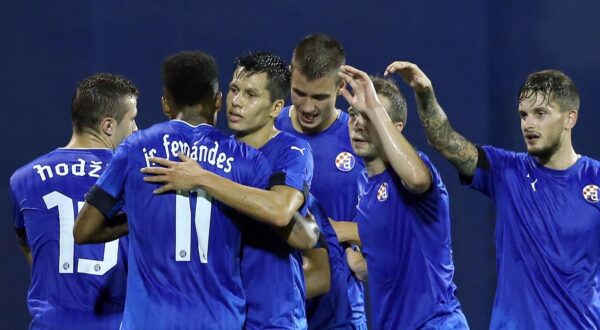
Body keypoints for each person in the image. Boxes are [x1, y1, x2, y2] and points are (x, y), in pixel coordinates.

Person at [386, 61, 600, 328]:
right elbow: (444, 140)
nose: (528, 124)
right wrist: (424, 93)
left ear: (570, 118)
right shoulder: (506, 170)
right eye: (523, 115)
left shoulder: (595, 180)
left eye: (540, 113)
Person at [74, 51, 274, 329]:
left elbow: (83, 231)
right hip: (219, 320)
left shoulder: (133, 150)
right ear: (217, 100)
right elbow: (279, 223)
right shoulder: (249, 161)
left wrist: (135, 221)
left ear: (166, 104)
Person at [140, 51, 326, 329]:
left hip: (273, 320)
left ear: (276, 107)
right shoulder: (215, 154)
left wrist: (203, 179)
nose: (237, 102)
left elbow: (278, 210)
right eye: (235, 90)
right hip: (221, 316)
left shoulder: (291, 151)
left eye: (251, 95)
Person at [337, 66, 469, 329]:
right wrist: (360, 263)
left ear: (394, 127)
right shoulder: (364, 185)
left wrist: (375, 108)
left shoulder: (416, 169)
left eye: (370, 117)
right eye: (353, 114)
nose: (359, 124)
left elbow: (417, 180)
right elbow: (385, 262)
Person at [9, 73, 138, 329]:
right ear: (108, 126)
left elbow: (28, 245)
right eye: (132, 120)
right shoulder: (134, 179)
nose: (136, 130)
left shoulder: (23, 180)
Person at [275, 33, 367, 329]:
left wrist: (338, 233)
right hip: (277, 309)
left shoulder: (362, 140)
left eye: (319, 97)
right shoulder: (268, 130)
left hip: (341, 314)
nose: (308, 106)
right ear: (290, 76)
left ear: (341, 86)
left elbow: (394, 228)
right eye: (299, 93)